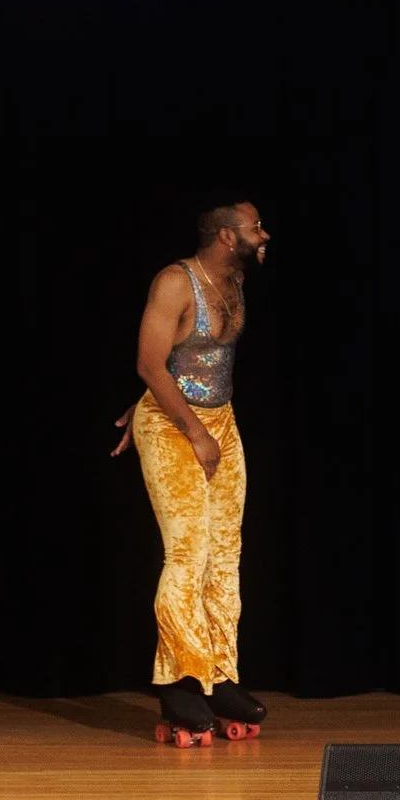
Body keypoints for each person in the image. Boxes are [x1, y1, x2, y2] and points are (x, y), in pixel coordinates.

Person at [110, 197, 273, 747]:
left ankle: (219, 675)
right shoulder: (176, 283)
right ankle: (180, 680)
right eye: (254, 226)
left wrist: (199, 422)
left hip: (220, 419)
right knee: (188, 552)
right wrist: (188, 428)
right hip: (179, 427)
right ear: (227, 236)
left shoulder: (234, 281)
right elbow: (150, 362)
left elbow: (195, 363)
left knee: (226, 554)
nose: (263, 232)